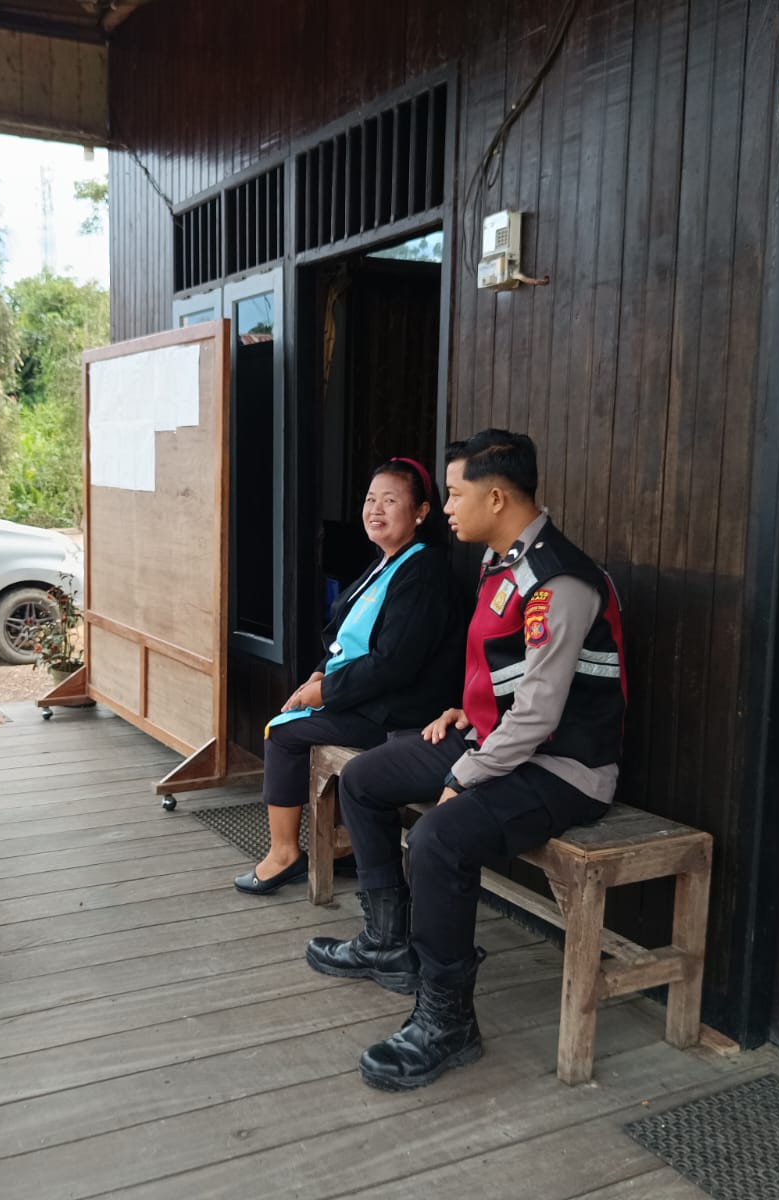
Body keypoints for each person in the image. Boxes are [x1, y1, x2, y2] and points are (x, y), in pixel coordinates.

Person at [305, 429, 627, 1091]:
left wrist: (463, 774)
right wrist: (464, 709)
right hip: (496, 741)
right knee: (363, 778)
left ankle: (448, 1021)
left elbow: (539, 715)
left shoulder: (559, 581)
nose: (446, 507)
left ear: (497, 497)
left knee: (438, 838)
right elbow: (505, 673)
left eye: (454, 494)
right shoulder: (499, 562)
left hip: (564, 767)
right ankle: (387, 943)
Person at [233, 457, 463, 895]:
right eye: (370, 499)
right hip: (368, 698)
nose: (375, 509)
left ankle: (284, 854)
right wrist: (318, 674)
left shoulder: (424, 572)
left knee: (282, 732)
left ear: (421, 511)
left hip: (400, 712)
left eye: (390, 501)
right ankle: (347, 846)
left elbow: (394, 663)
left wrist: (325, 693)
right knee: (291, 720)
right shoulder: (388, 562)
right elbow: (343, 636)